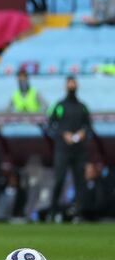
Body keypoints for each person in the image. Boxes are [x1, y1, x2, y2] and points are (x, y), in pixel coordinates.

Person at [48, 76, 91, 223]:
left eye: (74, 83)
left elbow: (89, 126)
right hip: (62, 150)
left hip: (79, 150)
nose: (72, 86)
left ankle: (78, 213)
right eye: (70, 83)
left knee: (80, 182)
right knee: (59, 180)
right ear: (66, 86)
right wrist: (63, 134)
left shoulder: (82, 106)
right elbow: (51, 125)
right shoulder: (59, 105)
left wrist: (83, 132)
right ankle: (53, 212)